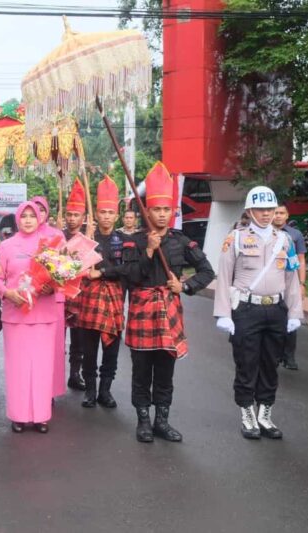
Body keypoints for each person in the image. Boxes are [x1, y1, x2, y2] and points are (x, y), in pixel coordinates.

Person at [122, 163, 214, 443]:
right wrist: (149, 251)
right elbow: (130, 278)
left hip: (169, 311)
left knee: (165, 370)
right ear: (147, 211)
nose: (162, 215)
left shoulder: (181, 241)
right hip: (142, 312)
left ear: (172, 212)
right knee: (141, 370)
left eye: (166, 210)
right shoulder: (135, 242)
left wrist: (184, 286)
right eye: (156, 210)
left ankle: (162, 420)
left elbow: (208, 271)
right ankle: (144, 422)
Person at [214, 186, 303, 440]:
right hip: (246, 309)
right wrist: (223, 314)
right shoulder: (236, 238)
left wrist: (295, 312)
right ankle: (247, 414)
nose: (266, 214)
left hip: (276, 309)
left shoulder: (284, 240)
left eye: (270, 209)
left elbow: (292, 278)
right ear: (250, 211)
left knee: (270, 364)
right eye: (260, 209)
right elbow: (224, 277)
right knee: (247, 363)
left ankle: (265, 414)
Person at [0, 201, 58, 433]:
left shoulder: (51, 245)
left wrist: (54, 287)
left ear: (40, 218)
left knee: (41, 367)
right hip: (15, 314)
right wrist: (7, 293)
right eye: (24, 216)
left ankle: (41, 416)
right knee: (18, 367)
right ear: (17, 219)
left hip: (43, 315)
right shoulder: (6, 246)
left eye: (33, 215)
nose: (28, 220)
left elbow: (62, 275)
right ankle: (18, 416)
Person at [76, 176, 129, 409]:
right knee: (89, 349)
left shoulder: (125, 241)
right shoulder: (87, 238)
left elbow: (129, 269)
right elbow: (73, 266)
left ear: (116, 215)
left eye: (110, 212)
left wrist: (104, 272)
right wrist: (84, 245)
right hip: (89, 301)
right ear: (96, 214)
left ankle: (105, 390)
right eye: (102, 212)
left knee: (111, 349)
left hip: (114, 300)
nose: (106, 216)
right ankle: (90, 390)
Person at [31, 195, 67, 398]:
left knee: (53, 347)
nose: (38, 214)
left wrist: (52, 286)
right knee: (33, 348)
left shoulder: (57, 235)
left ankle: (50, 391)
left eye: (42, 210)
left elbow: (66, 268)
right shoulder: (25, 234)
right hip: (28, 298)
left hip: (53, 298)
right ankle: (34, 386)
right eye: (33, 210)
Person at [273, 203, 307, 370]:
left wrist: (302, 284)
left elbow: (300, 260)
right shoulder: (265, 234)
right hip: (271, 283)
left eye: (281, 213)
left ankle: (289, 356)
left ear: (287, 216)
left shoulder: (295, 235)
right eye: (276, 213)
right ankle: (275, 354)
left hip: (290, 283)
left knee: (291, 319)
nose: (278, 216)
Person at [62, 179, 87, 391]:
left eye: (76, 215)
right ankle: (54, 375)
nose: (72, 219)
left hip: (82, 294)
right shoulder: (57, 237)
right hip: (60, 295)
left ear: (83, 217)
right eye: (69, 215)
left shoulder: (89, 238)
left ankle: (75, 374)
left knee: (79, 339)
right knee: (56, 339)